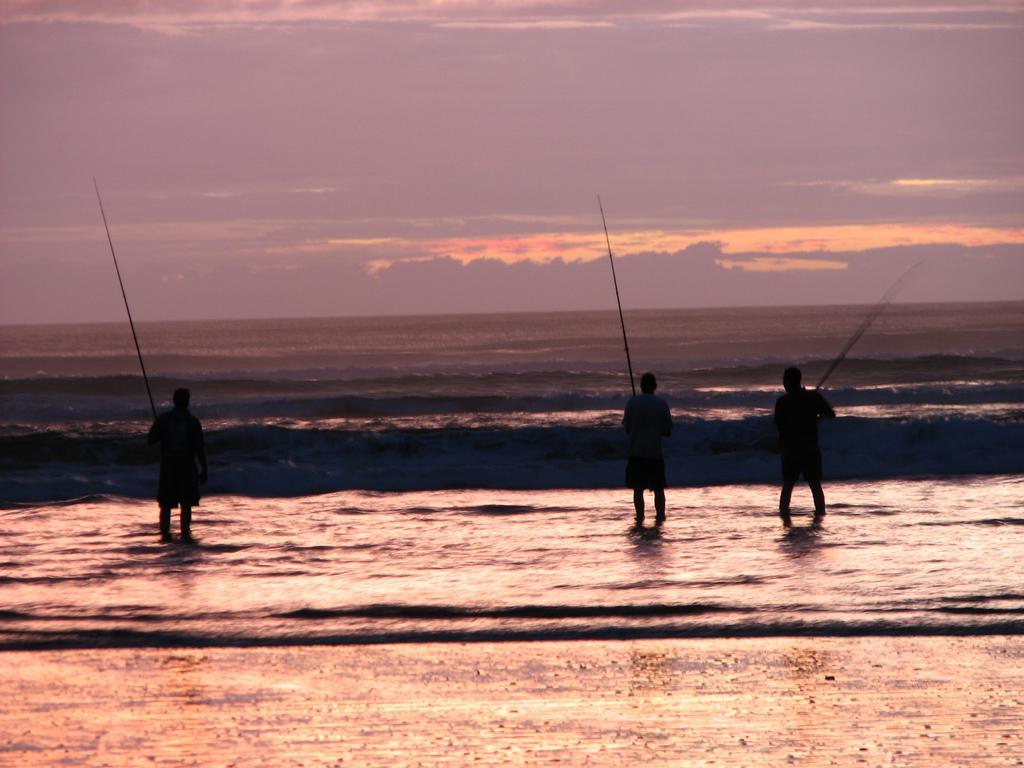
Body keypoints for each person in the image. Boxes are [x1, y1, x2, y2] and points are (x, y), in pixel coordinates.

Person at [774, 367, 835, 528]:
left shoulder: (782, 402)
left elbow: (779, 426)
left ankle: (785, 519)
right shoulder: (813, 398)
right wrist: (816, 417)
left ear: (787, 381)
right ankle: (820, 516)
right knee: (815, 485)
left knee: (788, 486)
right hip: (810, 448)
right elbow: (830, 414)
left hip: (790, 450)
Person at [148, 388, 207, 541]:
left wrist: (157, 429)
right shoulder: (193, 422)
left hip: (168, 467)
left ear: (174, 401)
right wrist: (204, 468)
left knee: (166, 505)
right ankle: (185, 533)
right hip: (187, 468)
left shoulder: (164, 419)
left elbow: (150, 440)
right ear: (188, 401)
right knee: (186, 505)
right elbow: (199, 448)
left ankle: (165, 533)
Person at [623, 372, 672, 527]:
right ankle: (660, 517)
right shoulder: (662, 404)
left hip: (636, 452)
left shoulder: (632, 403)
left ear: (641, 386)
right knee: (658, 489)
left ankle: (640, 518)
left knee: (638, 489)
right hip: (655, 453)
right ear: (655, 386)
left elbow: (627, 428)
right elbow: (667, 431)